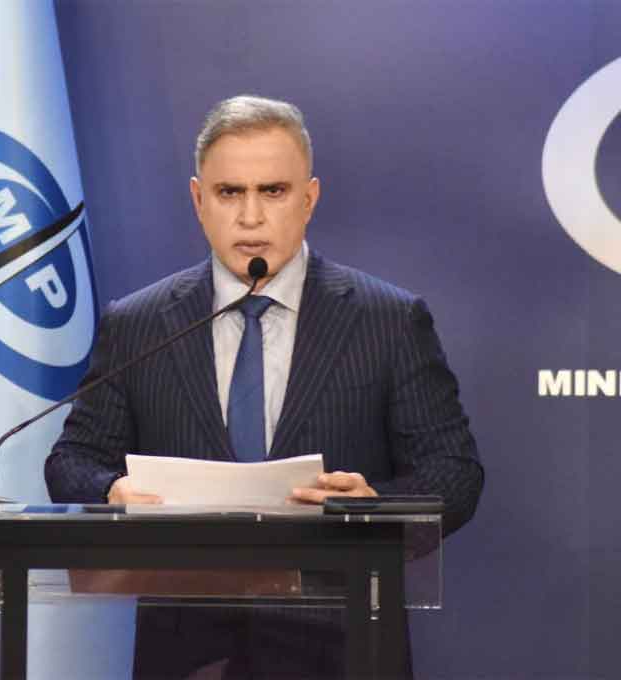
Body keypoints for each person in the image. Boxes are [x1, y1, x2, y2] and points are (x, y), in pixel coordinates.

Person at [46, 95, 484, 679]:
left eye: (273, 191)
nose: (250, 217)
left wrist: (375, 508)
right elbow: (72, 460)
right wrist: (110, 490)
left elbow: (454, 473)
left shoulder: (388, 319)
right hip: (190, 656)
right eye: (230, 192)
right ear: (199, 200)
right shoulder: (139, 324)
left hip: (343, 651)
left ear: (309, 199)